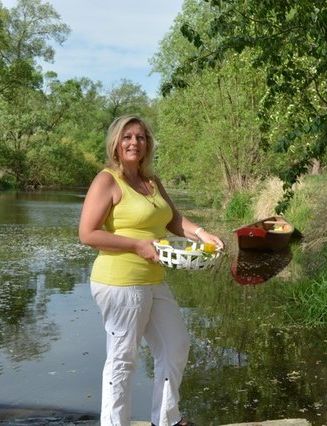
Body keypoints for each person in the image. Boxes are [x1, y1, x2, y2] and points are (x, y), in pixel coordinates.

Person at [78, 114, 223, 426]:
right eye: (127, 137)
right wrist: (138, 245)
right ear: (115, 144)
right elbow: (87, 233)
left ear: (148, 144)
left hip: (154, 280)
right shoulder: (107, 180)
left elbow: (173, 220)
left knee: (176, 345)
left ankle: (167, 419)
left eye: (140, 137)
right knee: (123, 359)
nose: (134, 143)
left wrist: (201, 234)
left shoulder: (151, 182)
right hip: (120, 281)